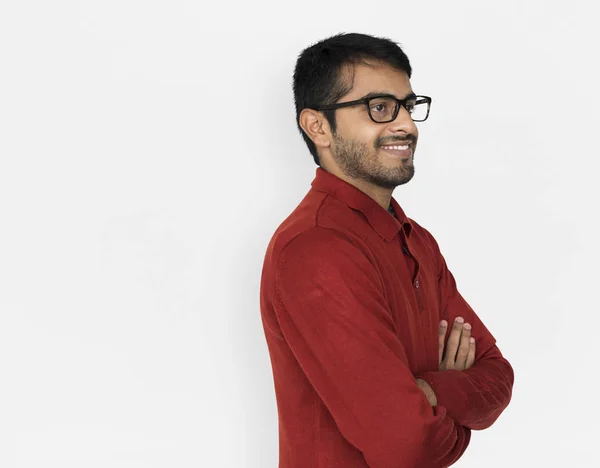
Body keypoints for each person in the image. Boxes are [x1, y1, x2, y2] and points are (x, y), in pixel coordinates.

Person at [259, 32, 514, 468]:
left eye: (409, 106)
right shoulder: (315, 250)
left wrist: (432, 391)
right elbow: (408, 447)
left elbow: (496, 376)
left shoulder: (416, 240)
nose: (406, 125)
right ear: (317, 125)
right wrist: (453, 397)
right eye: (379, 108)